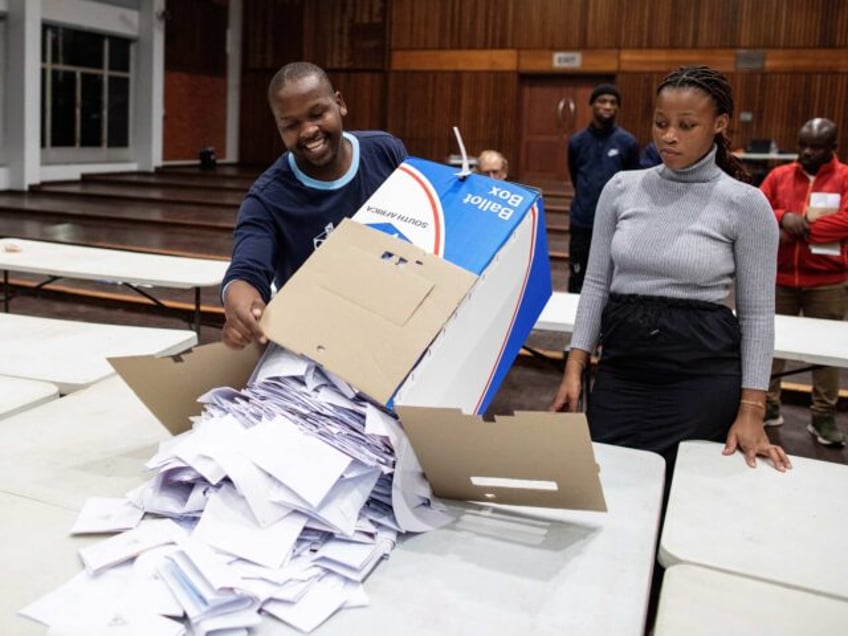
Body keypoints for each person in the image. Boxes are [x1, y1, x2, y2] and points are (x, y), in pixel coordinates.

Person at [550, 65, 791, 473]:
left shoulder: (745, 204)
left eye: (686, 125)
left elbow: (756, 315)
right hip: (623, 369)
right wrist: (574, 366)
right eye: (661, 123)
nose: (668, 136)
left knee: (683, 501)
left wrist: (752, 409)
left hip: (701, 376)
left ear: (719, 124)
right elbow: (594, 285)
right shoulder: (623, 188)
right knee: (611, 491)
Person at [221, 62, 407, 349]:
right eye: (291, 125)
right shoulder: (267, 199)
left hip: (395, 321)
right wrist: (243, 305)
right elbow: (247, 271)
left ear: (340, 104)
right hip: (319, 342)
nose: (308, 131)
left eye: (317, 114)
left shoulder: (385, 152)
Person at [760, 117, 848, 446]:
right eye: (803, 145)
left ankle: (823, 416)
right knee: (769, 346)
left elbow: (846, 220)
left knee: (825, 353)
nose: (807, 152)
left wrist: (804, 226)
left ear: (832, 148)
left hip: (827, 280)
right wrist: (785, 217)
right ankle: (767, 406)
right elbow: (759, 208)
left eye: (816, 147)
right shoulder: (779, 175)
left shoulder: (845, 178)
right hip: (780, 276)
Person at [566, 83, 640, 293]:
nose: (607, 106)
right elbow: (575, 175)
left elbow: (632, 181)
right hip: (583, 221)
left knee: (612, 280)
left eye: (613, 102)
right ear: (592, 104)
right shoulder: (577, 141)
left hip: (614, 223)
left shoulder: (628, 143)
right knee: (578, 277)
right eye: (602, 101)